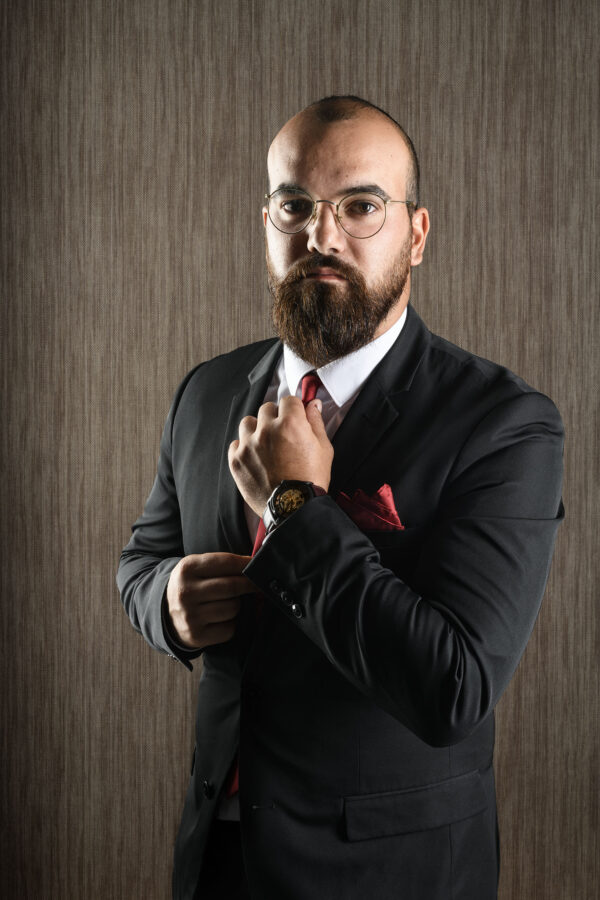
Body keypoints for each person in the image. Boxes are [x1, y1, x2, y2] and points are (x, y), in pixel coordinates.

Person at [116, 95, 564, 900]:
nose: (320, 235)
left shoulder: (504, 424)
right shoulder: (207, 390)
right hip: (218, 857)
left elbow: (451, 689)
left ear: (416, 234)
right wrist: (165, 604)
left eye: (360, 205)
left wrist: (294, 505)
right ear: (267, 221)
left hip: (390, 871)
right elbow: (142, 560)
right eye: (294, 204)